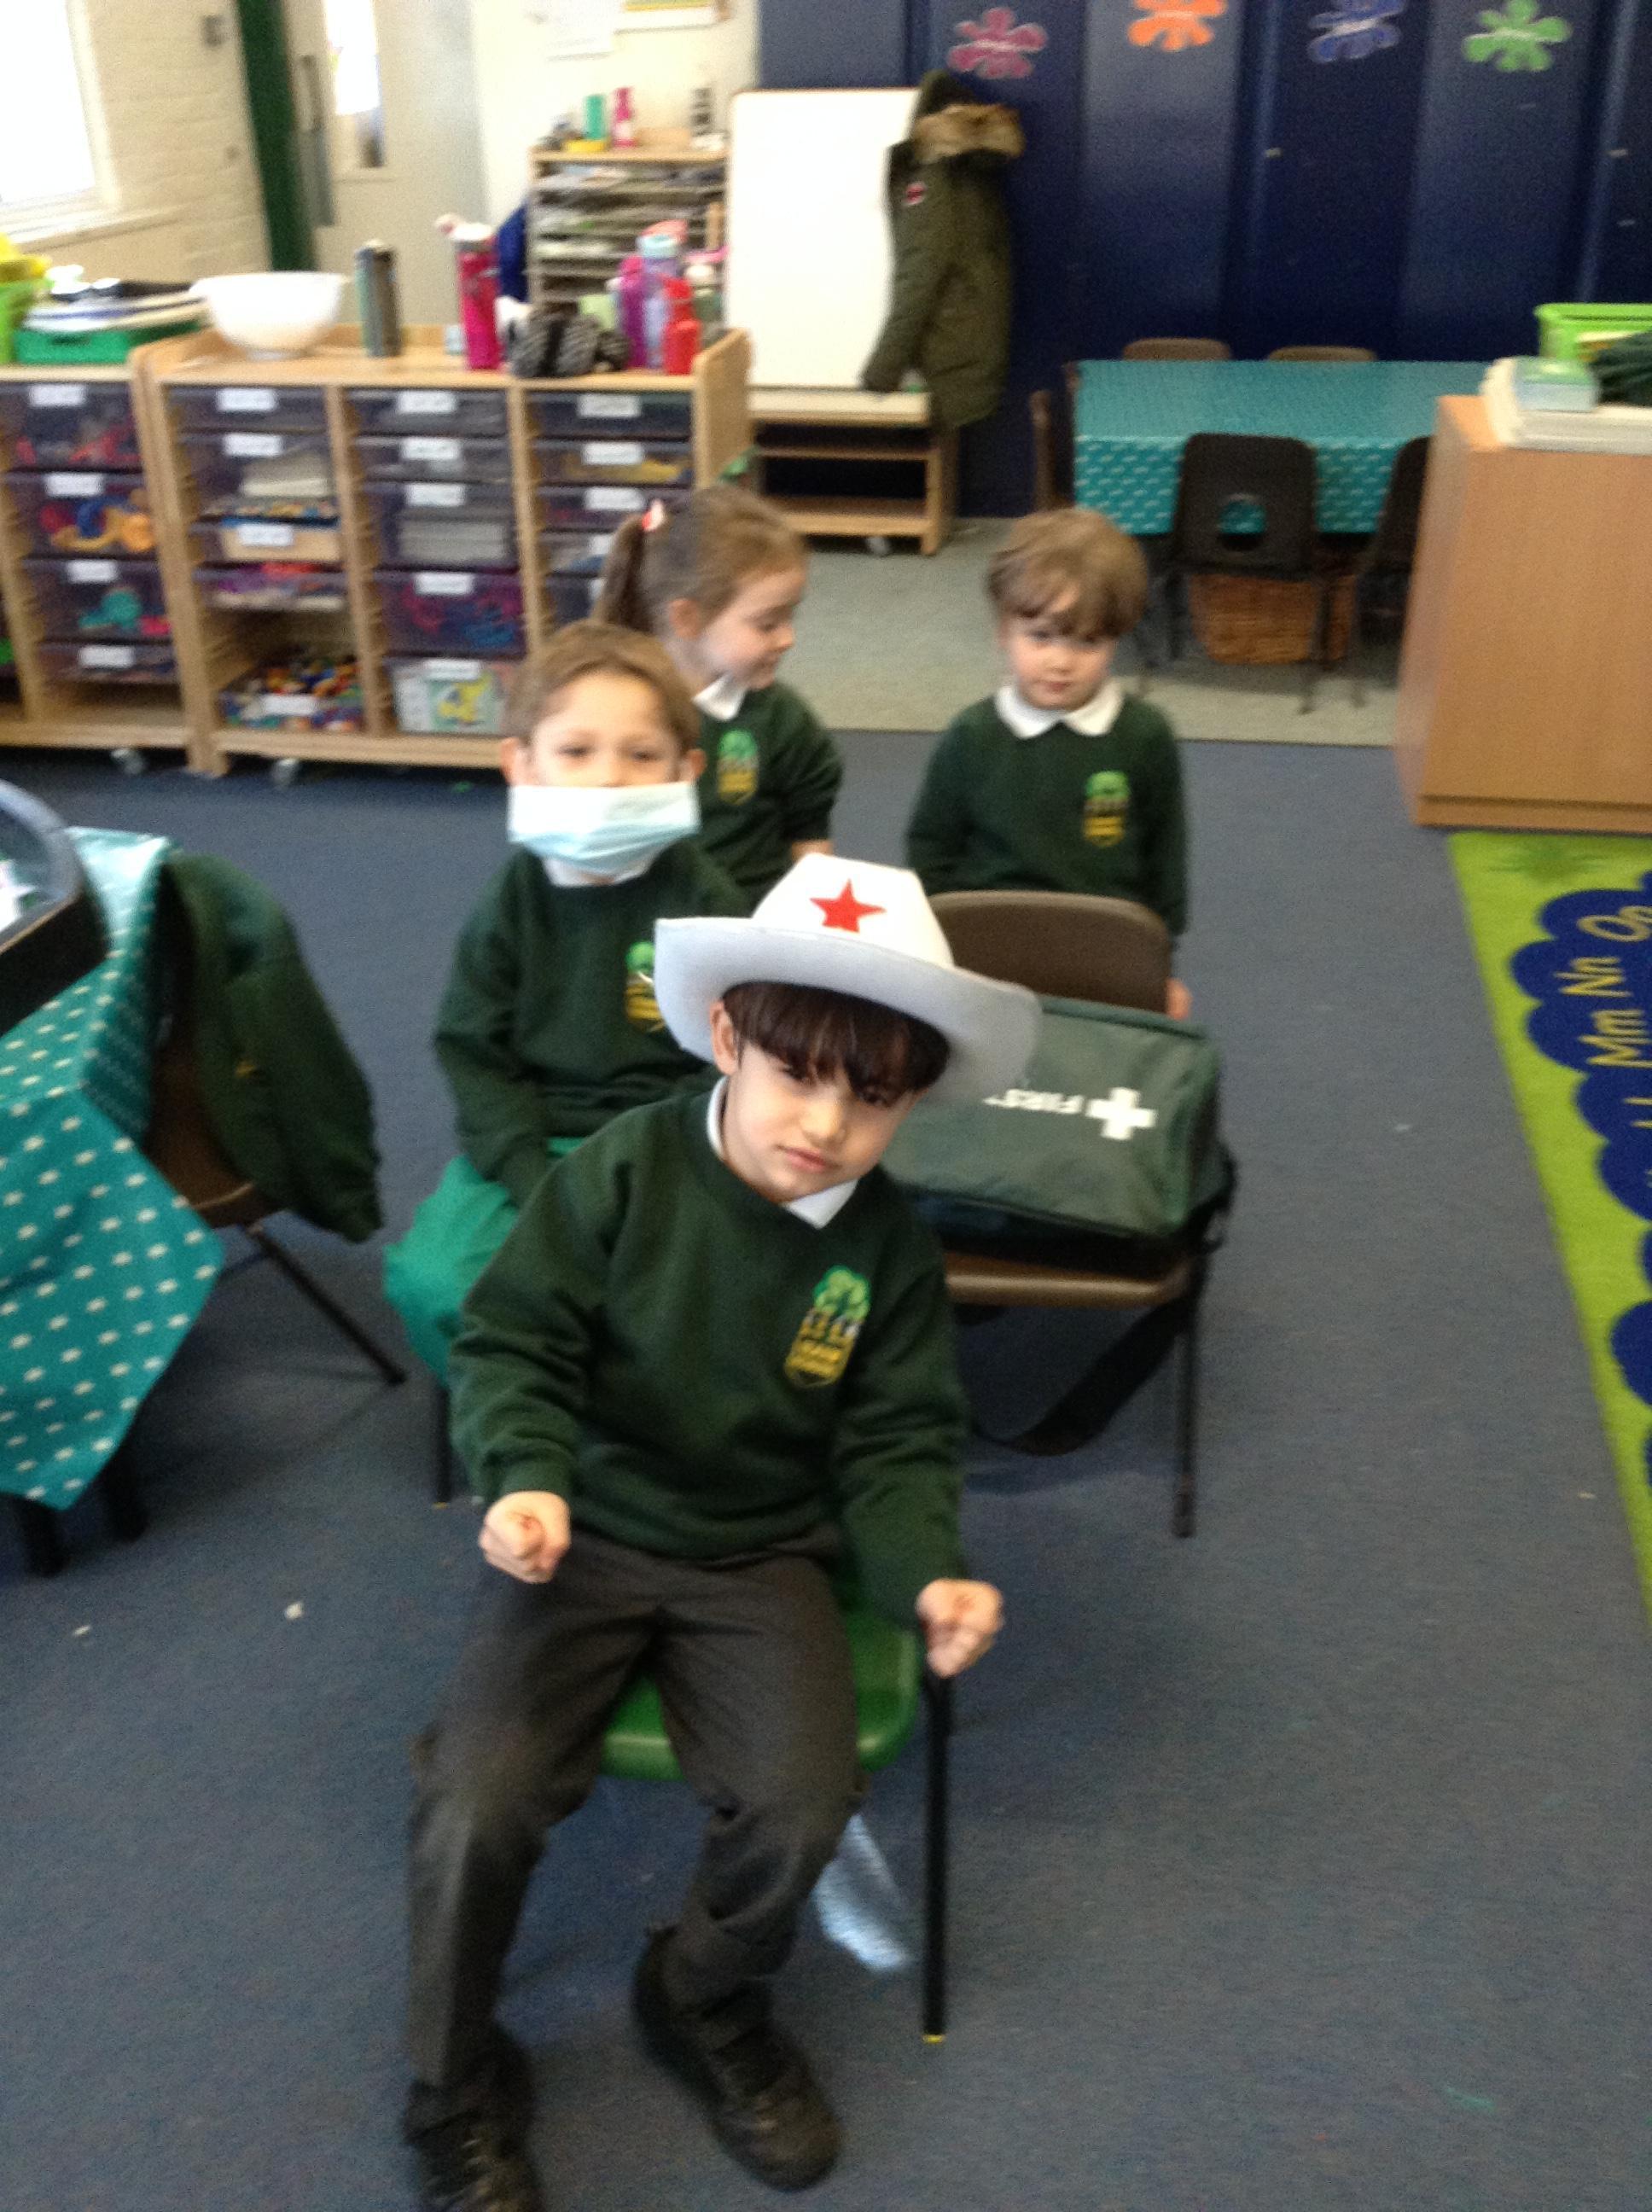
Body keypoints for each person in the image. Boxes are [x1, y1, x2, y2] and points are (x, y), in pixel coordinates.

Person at [403, 853, 1040, 2212]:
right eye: (796, 1074)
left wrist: (926, 1574)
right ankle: (451, 2085)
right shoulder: (623, 1172)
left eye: (873, 1098)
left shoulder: (886, 1250)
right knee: (475, 1801)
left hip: (758, 1553)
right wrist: (525, 1477)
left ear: (912, 1098)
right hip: (585, 1529)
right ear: (726, 1035)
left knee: (802, 1806)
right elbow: (515, 1340)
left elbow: (897, 1440)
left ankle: (699, 1992)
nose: (826, 1124)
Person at [382, 622, 747, 1379]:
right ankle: (517, 1415)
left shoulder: (706, 900)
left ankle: (627, 1423)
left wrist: (657, 1167)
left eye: (641, 754)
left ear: (687, 770)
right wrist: (530, 1177)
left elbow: (732, 1059)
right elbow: (475, 1055)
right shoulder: (512, 902)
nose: (609, 778)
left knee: (691, 1290)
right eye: (576, 751)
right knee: (436, 1282)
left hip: (668, 1144)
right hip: (531, 1144)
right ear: (521, 765)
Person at [905, 506, 1193, 1019]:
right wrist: (940, 948)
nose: (1061, 662)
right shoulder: (971, 737)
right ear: (1004, 630)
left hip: (1105, 953)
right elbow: (931, 851)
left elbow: (1165, 859)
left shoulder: (1145, 737)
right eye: (1040, 636)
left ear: (1117, 638)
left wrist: (1159, 961)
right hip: (987, 955)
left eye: (1088, 641)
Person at [597, 484, 843, 901]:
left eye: (791, 617)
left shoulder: (784, 721)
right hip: (642, 914)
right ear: (688, 619)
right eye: (767, 624)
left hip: (749, 920)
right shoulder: (608, 713)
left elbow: (811, 841)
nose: (788, 639)